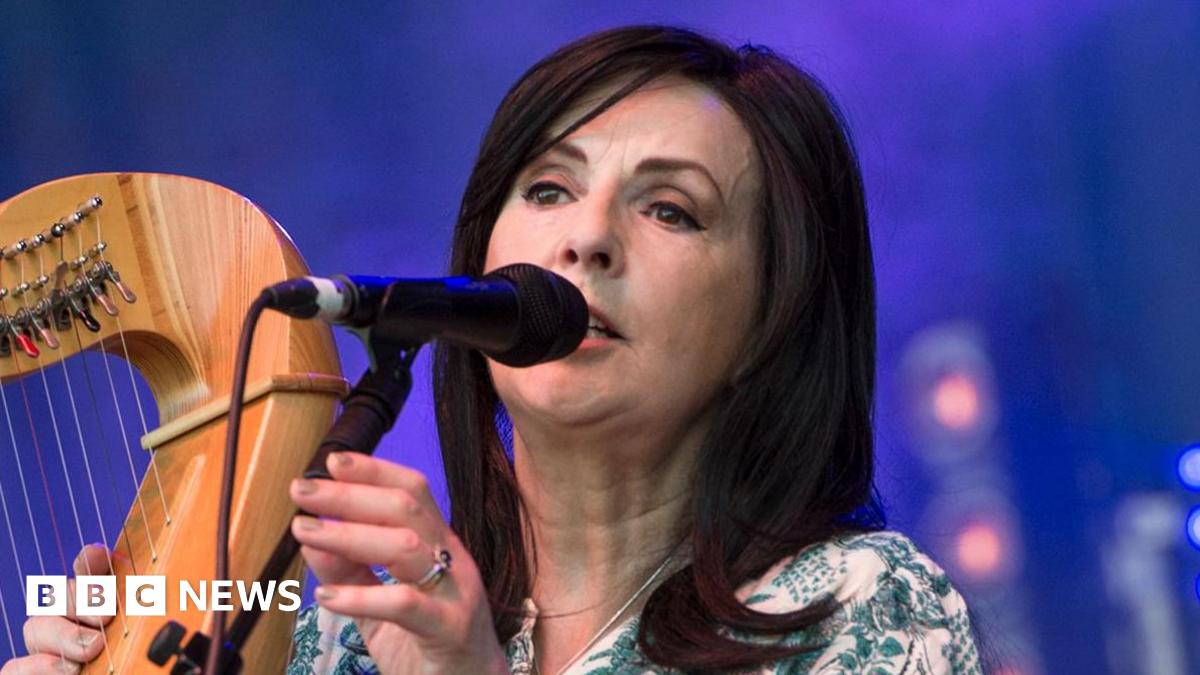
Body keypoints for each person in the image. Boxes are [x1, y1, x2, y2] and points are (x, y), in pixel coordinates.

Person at [6, 25, 981, 675]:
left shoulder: (861, 610)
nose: (585, 238)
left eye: (671, 209)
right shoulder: (327, 641)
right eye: (549, 190)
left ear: (772, 316)